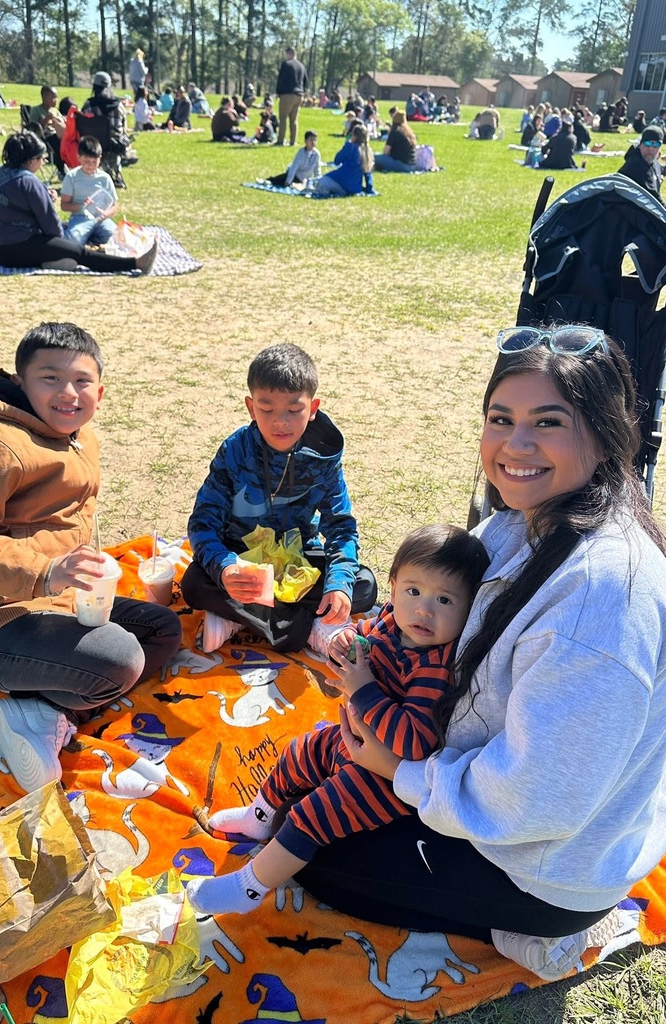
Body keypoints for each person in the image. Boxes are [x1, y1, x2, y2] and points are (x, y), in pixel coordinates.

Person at [283, 325, 666, 983]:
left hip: (539, 867)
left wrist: (400, 773)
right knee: (313, 791)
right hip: (472, 781)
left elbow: (534, 799)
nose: (516, 445)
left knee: (312, 853)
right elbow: (445, 612)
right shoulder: (526, 515)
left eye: (548, 422)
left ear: (604, 435)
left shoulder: (599, 600)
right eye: (501, 419)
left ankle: (531, 936)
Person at [0, 322, 182, 794]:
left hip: (45, 601)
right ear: (22, 383)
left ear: (100, 390)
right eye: (49, 379)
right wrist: (46, 571)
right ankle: (13, 694)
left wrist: (67, 572)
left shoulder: (77, 435)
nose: (67, 393)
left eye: (81, 381)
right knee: (120, 659)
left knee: (162, 628)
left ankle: (43, 711)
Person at [186, 525, 490, 916]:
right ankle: (258, 817)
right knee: (299, 752)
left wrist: (363, 689)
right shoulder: (388, 623)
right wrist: (346, 641)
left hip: (385, 779)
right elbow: (362, 637)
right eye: (414, 591)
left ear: (468, 611)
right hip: (350, 739)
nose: (424, 610)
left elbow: (414, 742)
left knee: (314, 814)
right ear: (394, 587)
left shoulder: (435, 667)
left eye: (445, 599)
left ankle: (248, 888)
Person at [180, 343, 378, 654]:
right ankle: (310, 628)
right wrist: (226, 568)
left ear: (312, 409)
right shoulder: (235, 451)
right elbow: (203, 523)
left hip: (298, 561)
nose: (280, 422)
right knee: (193, 583)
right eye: (267, 409)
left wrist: (339, 583)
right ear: (250, 406)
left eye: (294, 410)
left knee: (363, 584)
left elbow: (341, 528)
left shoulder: (323, 459)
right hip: (243, 560)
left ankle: (240, 619)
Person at [0, 131, 157, 272]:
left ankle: (53, 260)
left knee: (67, 244)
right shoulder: (29, 182)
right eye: (41, 158)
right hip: (19, 247)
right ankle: (137, 263)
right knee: (80, 252)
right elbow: (52, 228)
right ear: (30, 160)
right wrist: (61, 245)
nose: (43, 162)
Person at [60, 135, 118, 246]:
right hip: (80, 217)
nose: (90, 165)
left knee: (117, 238)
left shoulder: (105, 178)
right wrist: (82, 206)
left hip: (101, 220)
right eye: (86, 161)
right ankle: (86, 236)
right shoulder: (72, 177)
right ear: (79, 157)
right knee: (71, 243)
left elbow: (115, 206)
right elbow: (64, 205)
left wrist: (106, 214)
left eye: (94, 161)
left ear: (100, 158)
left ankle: (92, 237)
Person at [315, 122, 374, 197]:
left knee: (321, 181)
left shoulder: (350, 147)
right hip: (355, 187)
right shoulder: (368, 152)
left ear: (354, 136)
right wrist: (369, 189)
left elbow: (337, 161)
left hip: (342, 181)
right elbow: (368, 174)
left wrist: (346, 146)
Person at [83, 72, 130, 156]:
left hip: (93, 146)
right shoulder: (118, 106)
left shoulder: (88, 105)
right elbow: (124, 128)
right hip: (115, 146)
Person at [618, 125, 664, 203]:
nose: (651, 148)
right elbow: (655, 199)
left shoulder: (651, 161)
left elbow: (660, 169)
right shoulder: (635, 164)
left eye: (656, 145)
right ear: (640, 145)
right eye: (648, 144)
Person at [28, 85, 66, 173]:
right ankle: (61, 169)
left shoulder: (55, 110)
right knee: (57, 143)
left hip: (58, 134)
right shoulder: (36, 110)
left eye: (56, 97)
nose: (56, 99)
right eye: (53, 97)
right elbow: (33, 127)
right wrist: (47, 119)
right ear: (44, 97)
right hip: (44, 137)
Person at [275, 45, 308, 146]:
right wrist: (304, 92)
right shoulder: (302, 66)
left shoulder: (286, 64)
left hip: (287, 94)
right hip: (299, 95)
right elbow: (306, 81)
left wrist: (278, 92)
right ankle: (293, 141)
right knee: (294, 120)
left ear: (288, 54)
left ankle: (281, 140)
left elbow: (281, 79)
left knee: (283, 118)